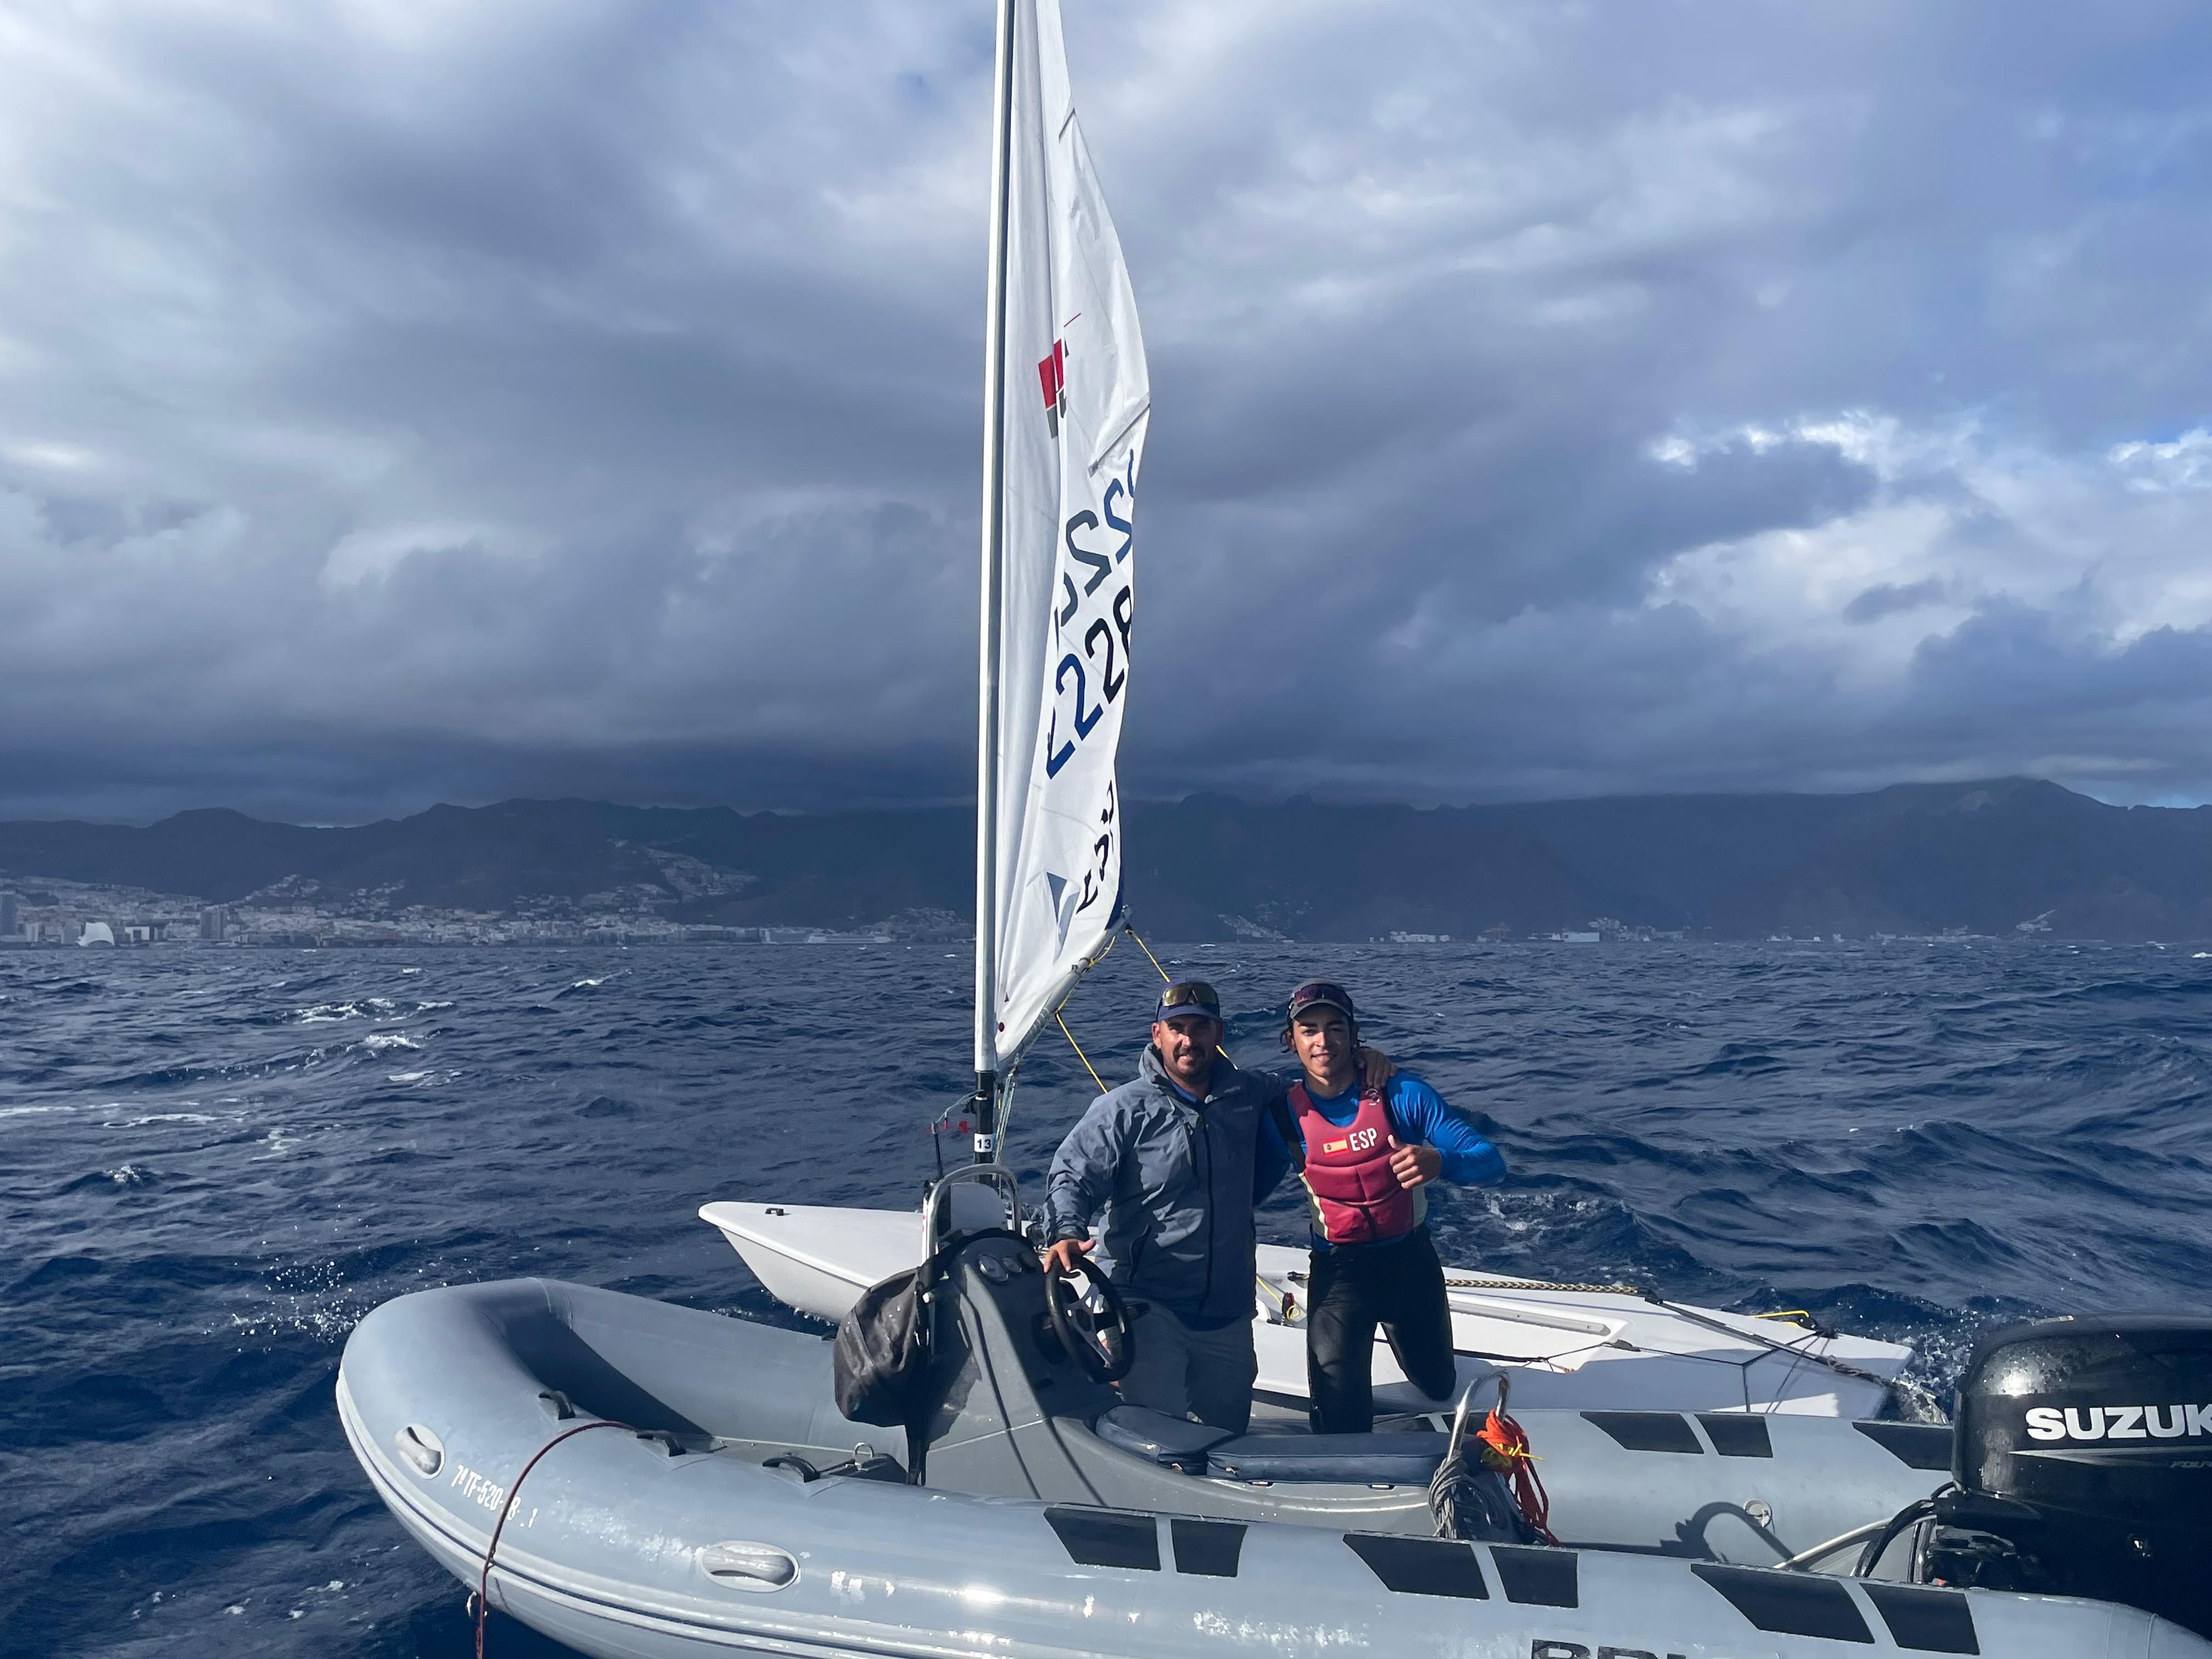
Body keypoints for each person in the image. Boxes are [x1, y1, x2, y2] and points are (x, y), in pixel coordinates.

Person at [1042, 978, 1392, 1434]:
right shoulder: (1123, 1109)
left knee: (1227, 1439)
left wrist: (1364, 1062)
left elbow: (1319, 1087)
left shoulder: (1251, 1095)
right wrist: (1065, 1230)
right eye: (1178, 1028)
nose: (1190, 1040)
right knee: (1160, 1438)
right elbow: (1073, 1173)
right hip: (1147, 1303)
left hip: (1227, 1314)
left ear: (1219, 1034)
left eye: (1202, 1028)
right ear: (1158, 1035)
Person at [1262, 979, 1507, 1435]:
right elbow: (1244, 1192)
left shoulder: (1402, 1094)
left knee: (1438, 1387)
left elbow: (1491, 1163)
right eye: (1309, 1029)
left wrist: (1441, 1161)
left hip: (1410, 1262)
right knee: (1339, 1422)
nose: (1323, 1041)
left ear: (1354, 1037)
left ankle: (1399, 1329)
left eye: (1335, 1028)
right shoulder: (1280, 1116)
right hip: (1339, 1273)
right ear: (1291, 1041)